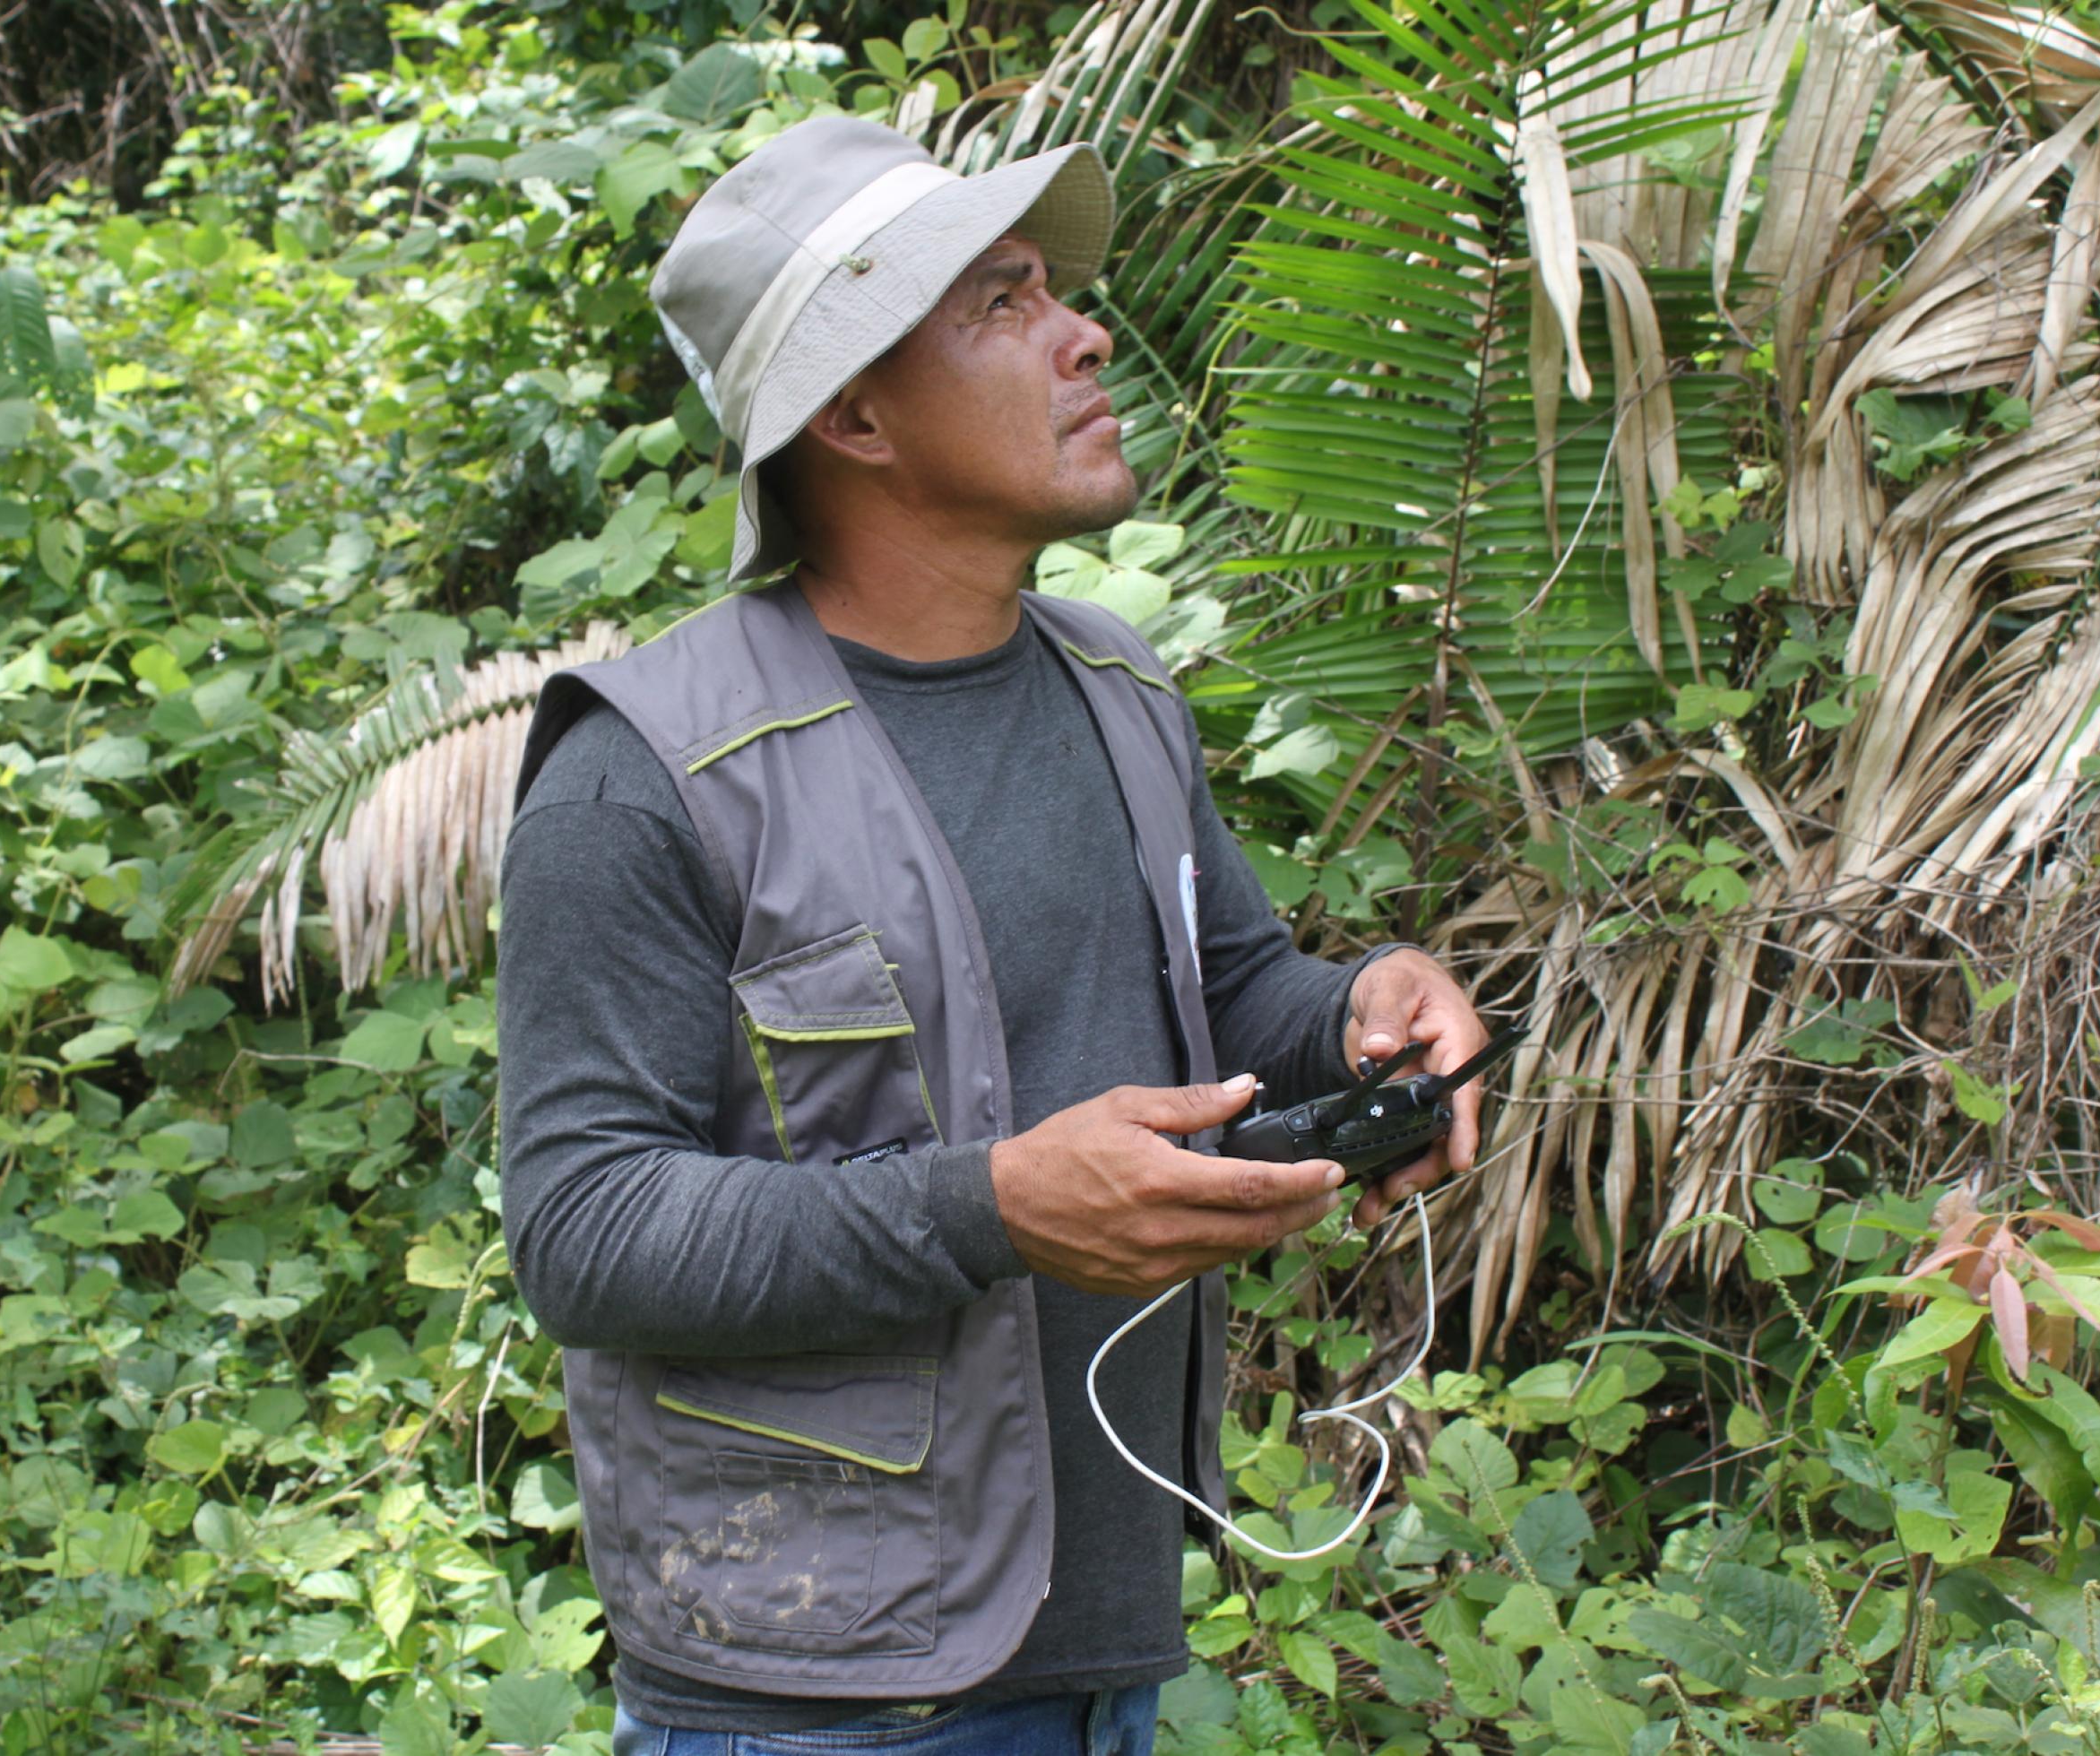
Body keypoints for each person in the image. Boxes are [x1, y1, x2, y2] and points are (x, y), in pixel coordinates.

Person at [496, 114, 1491, 1756]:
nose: (1083, 330)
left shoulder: (1115, 687)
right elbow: (585, 1230)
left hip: (1105, 1644)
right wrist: (995, 1208)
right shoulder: (642, 776)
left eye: (1054, 290)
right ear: (854, 410)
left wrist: (1366, 1010)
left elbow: (1230, 985)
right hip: (819, 1696)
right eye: (1001, 302)